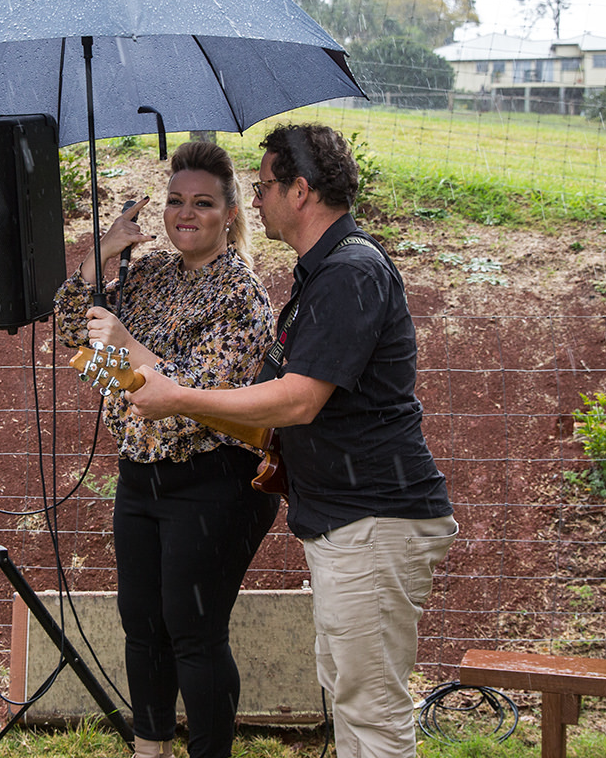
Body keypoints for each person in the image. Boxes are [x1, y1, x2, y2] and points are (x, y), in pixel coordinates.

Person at [126, 124, 457, 758]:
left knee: (371, 707)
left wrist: (179, 397)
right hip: (345, 518)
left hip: (375, 517)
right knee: (348, 692)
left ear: (301, 191)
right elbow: (269, 397)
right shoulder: (320, 275)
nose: (259, 198)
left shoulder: (350, 273)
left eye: (266, 185)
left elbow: (300, 399)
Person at [55, 139, 278, 758]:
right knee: (142, 625)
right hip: (141, 476)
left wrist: (126, 346)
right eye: (176, 201)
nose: (186, 213)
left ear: (231, 213)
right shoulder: (148, 273)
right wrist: (101, 255)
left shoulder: (242, 295)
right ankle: (147, 749)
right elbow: (72, 331)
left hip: (213, 481)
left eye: (203, 203)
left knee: (194, 632)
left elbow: (205, 392)